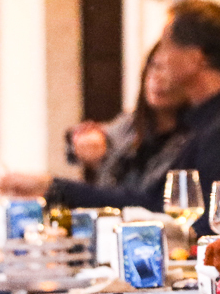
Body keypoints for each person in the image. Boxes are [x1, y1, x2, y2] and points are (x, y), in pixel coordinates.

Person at [5, 0, 220, 222]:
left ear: (196, 58)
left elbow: (188, 221)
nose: (159, 58)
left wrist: (55, 188)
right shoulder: (201, 119)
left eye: (166, 44)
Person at [72, 44, 188, 196]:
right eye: (155, 66)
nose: (158, 78)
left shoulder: (195, 137)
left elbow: (149, 198)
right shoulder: (130, 124)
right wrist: (86, 140)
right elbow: (79, 142)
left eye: (170, 71)